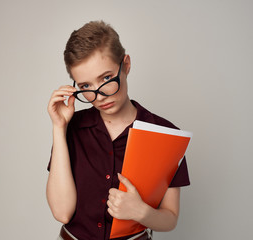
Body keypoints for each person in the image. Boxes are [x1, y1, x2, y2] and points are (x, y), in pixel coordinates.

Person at [46, 20, 190, 240]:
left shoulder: (165, 134)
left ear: (126, 65)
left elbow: (170, 218)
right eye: (85, 86)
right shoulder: (71, 127)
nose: (99, 95)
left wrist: (141, 212)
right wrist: (58, 127)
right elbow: (62, 212)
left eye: (106, 78)